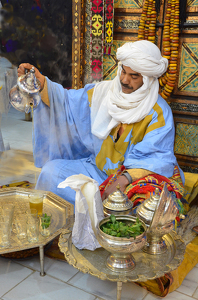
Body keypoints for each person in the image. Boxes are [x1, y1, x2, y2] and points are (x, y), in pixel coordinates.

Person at [17, 40, 185, 209]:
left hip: (131, 181)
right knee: (50, 173)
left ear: (148, 79)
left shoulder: (159, 113)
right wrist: (42, 84)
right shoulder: (106, 92)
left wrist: (122, 180)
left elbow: (155, 160)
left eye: (134, 76)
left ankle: (96, 217)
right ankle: (88, 215)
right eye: (123, 72)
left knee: (145, 206)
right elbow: (67, 102)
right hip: (96, 170)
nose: (124, 80)